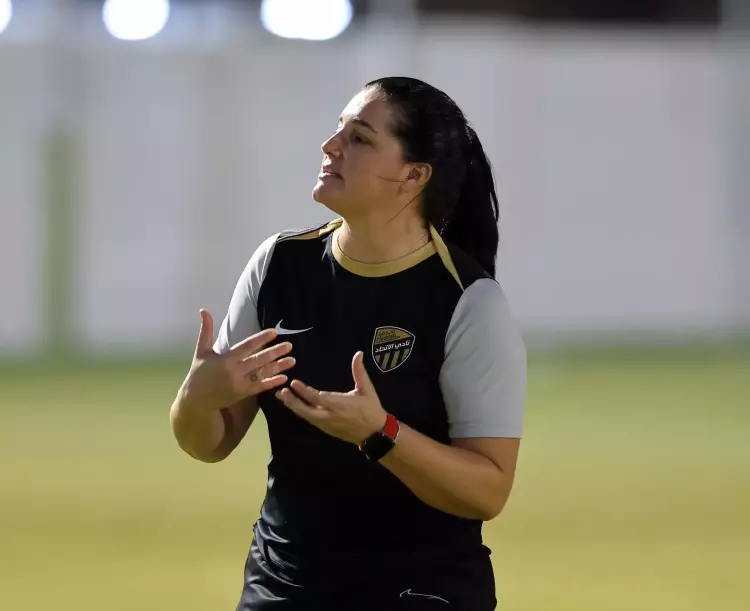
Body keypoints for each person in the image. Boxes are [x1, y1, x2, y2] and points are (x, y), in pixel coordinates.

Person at [170, 76, 527, 611]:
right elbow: (209, 444)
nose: (330, 145)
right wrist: (196, 398)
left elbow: (488, 491)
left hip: (421, 588)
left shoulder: (469, 302)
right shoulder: (278, 267)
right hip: (285, 587)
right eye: (338, 129)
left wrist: (379, 433)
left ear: (414, 175)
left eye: (359, 138)